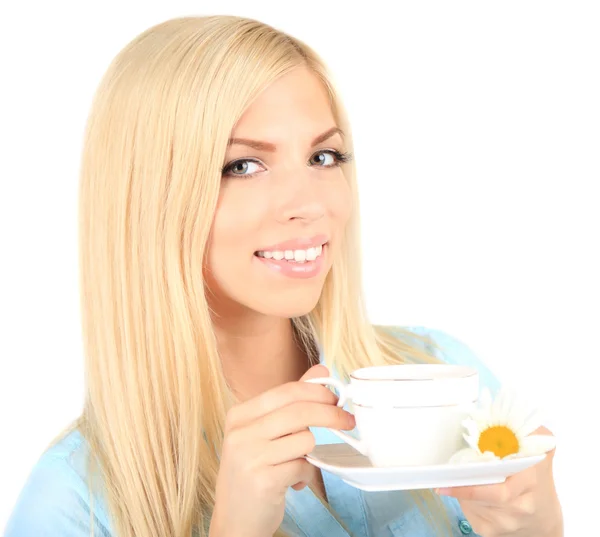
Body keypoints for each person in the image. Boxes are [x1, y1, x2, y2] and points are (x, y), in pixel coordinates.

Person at [3, 15, 563, 537]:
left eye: (324, 158)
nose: (310, 204)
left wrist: (535, 526)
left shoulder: (442, 376)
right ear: (149, 201)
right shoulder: (70, 501)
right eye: (243, 165)